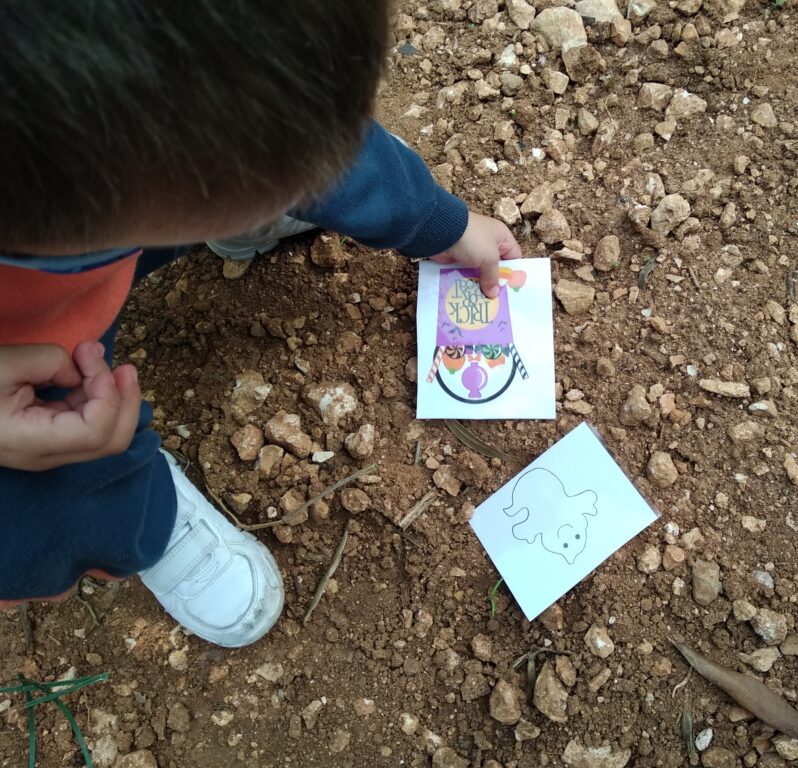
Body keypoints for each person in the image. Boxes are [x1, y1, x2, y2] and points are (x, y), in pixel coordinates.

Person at [0, 0, 521, 647]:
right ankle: (140, 517)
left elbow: (309, 130)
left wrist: (437, 223)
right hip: (28, 344)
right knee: (41, 510)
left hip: (115, 207)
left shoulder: (224, 87)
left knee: (283, 144)